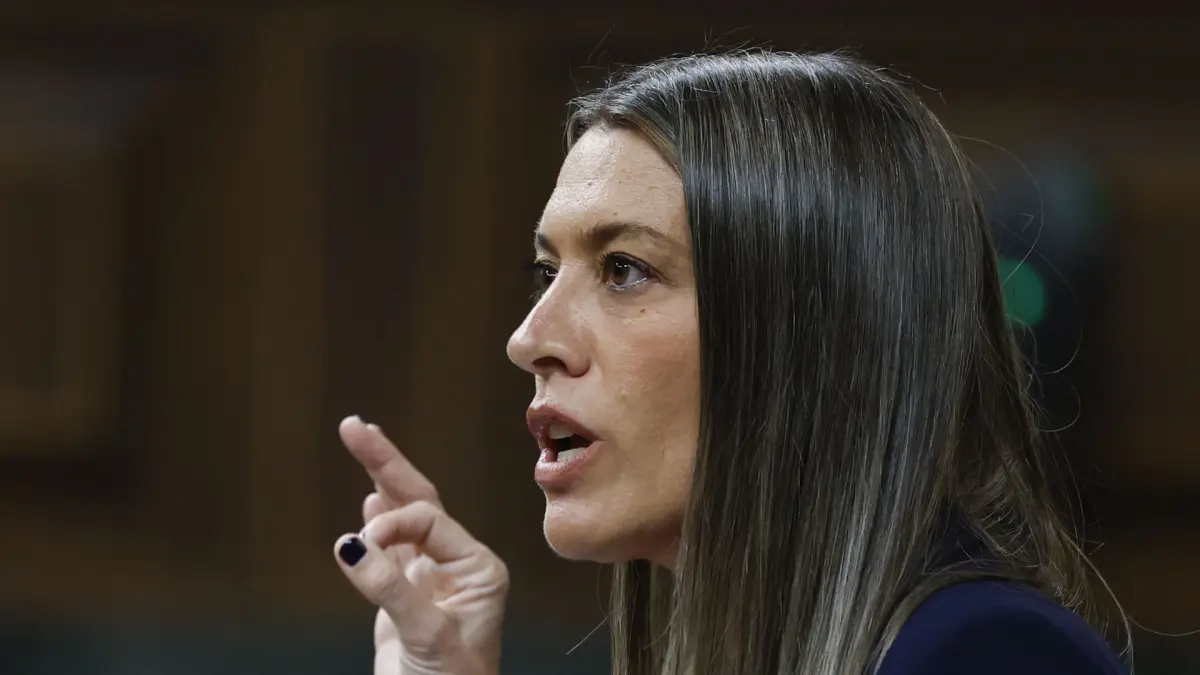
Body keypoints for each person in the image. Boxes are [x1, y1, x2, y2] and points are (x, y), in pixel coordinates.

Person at [329, 50, 1131, 675]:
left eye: (623, 269)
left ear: (809, 329)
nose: (529, 337)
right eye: (548, 271)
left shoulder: (987, 654)